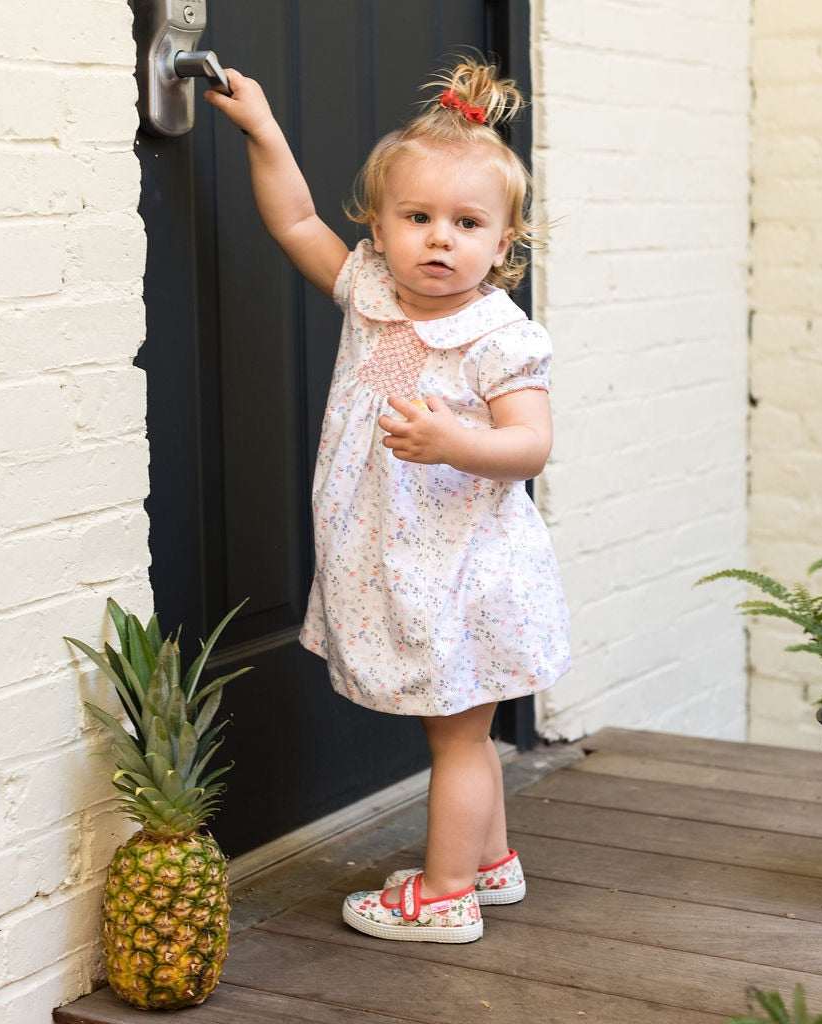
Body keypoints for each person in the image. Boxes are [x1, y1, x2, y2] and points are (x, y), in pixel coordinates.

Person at [206, 58, 570, 944]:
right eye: (417, 218)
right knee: (467, 729)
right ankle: (488, 864)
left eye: (466, 223)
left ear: (504, 240)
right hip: (405, 559)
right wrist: (262, 128)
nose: (439, 240)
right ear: (379, 223)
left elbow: (530, 443)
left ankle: (444, 894)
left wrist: (457, 443)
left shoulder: (498, 338)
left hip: (463, 573)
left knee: (456, 736)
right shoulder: (372, 295)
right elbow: (294, 219)